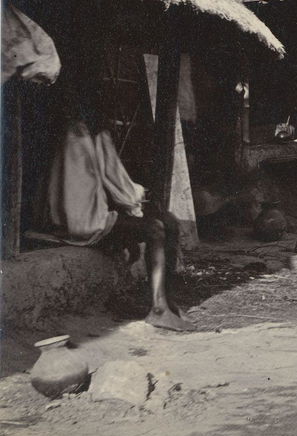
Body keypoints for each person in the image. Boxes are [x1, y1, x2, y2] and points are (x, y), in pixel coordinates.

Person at [44, 116, 193, 330]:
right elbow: (120, 186)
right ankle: (159, 309)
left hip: (91, 216)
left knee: (169, 221)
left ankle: (167, 302)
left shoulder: (83, 131)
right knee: (156, 229)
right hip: (86, 222)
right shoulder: (82, 135)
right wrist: (139, 194)